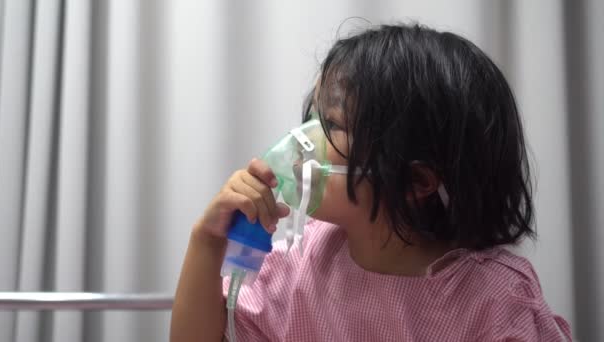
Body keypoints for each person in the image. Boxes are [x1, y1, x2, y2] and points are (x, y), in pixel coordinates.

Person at [170, 23, 572, 341]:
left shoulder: (492, 299)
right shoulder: (298, 264)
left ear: (417, 180)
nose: (304, 138)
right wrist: (206, 241)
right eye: (314, 117)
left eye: (332, 124)